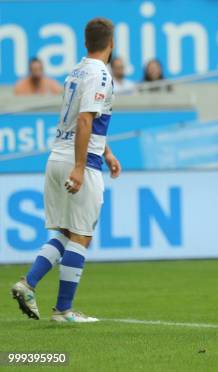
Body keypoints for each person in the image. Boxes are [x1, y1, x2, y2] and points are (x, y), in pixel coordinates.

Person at [11, 18, 121, 322]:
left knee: (65, 232)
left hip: (56, 156)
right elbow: (85, 120)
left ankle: (27, 284)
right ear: (111, 44)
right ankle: (63, 310)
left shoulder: (76, 70)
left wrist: (108, 152)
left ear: (86, 43)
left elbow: (84, 120)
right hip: (79, 161)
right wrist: (80, 166)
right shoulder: (100, 74)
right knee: (82, 235)